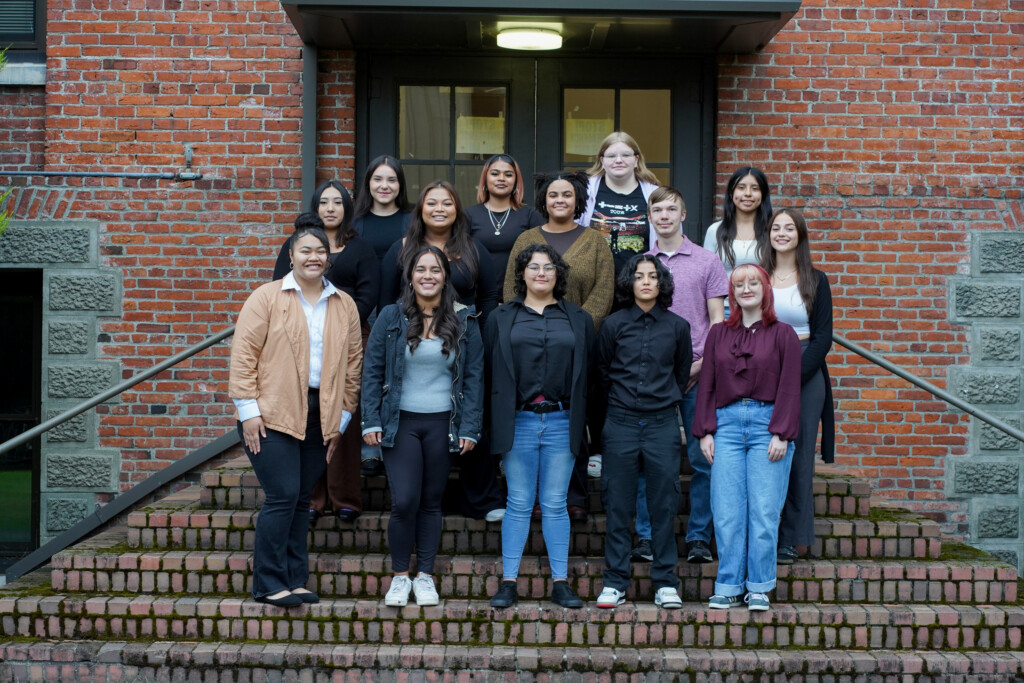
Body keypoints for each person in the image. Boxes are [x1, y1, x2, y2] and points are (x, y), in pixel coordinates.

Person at [229, 225, 363, 607]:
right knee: (283, 494)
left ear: (328, 257)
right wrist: (248, 411)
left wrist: (342, 419)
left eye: (320, 251)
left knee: (302, 496)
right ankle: (269, 583)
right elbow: (243, 356)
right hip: (270, 412)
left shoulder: (344, 304)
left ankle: (294, 579)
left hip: (322, 414)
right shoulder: (267, 298)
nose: (313, 257)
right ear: (291, 256)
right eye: (305, 250)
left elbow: (354, 365)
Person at [361, 247, 484, 608]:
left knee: (431, 502)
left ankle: (425, 576)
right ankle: (401, 577)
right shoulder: (390, 316)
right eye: (420, 269)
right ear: (410, 276)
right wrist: (370, 419)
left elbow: (474, 378)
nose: (428, 275)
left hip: (443, 422)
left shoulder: (465, 320)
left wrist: (470, 427)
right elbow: (373, 371)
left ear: (445, 276)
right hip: (400, 423)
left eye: (435, 269)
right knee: (405, 501)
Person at [486, 243, 594, 610]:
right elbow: (488, 373)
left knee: (555, 503)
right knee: (517, 502)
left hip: (562, 420)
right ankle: (509, 582)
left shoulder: (578, 318)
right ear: (522, 274)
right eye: (534, 267)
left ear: (558, 275)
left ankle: (561, 583)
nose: (542, 273)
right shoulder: (501, 317)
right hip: (518, 422)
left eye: (549, 267)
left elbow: (590, 377)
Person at [504, 170, 614, 522]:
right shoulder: (526, 240)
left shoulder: (596, 242)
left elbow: (603, 291)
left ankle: (574, 494)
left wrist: (575, 329)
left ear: (578, 200)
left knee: (572, 422)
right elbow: (511, 289)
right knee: (534, 425)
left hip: (578, 347)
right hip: (530, 350)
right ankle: (534, 496)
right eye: (553, 195)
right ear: (544, 201)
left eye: (567, 195)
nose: (560, 201)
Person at [693, 264, 801, 612]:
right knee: (726, 512)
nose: (747, 288)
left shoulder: (783, 334)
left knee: (765, 511)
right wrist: (705, 430)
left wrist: (782, 433)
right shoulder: (719, 335)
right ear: (733, 294)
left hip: (767, 424)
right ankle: (728, 585)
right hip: (725, 427)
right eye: (740, 284)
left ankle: (758, 586)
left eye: (754, 282)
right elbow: (706, 382)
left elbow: (790, 387)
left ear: (765, 289)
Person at [272, 182, 380, 524]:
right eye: (324, 202)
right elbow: (278, 290)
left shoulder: (360, 248)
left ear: (348, 208)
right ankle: (312, 499)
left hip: (349, 335)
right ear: (315, 207)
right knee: (308, 417)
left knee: (343, 418)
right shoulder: (294, 247)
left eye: (338, 202)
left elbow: (369, 293)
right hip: (301, 337)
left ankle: (345, 497)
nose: (331, 208)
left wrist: (343, 322)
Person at [634, 187, 729, 566]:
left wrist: (699, 365)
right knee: (649, 460)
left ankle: (699, 538)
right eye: (657, 210)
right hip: (653, 378)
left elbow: (719, 323)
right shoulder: (642, 262)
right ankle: (645, 536)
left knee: (703, 458)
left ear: (683, 214)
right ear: (650, 216)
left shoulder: (707, 262)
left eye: (671, 208)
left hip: (699, 374)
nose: (664, 215)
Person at [593, 254, 691, 610]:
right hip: (619, 422)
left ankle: (665, 582)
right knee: (617, 504)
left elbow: (680, 376)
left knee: (663, 504)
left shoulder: (678, 327)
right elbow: (602, 374)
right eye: (639, 276)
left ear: (662, 283)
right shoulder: (612, 325)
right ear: (629, 282)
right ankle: (615, 582)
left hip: (662, 423)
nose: (646, 281)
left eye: (653, 276)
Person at [762, 208, 835, 564]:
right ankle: (760, 532)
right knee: (763, 453)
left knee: (799, 456)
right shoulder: (760, 277)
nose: (781, 233)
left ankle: (791, 538)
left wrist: (791, 375)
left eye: (789, 228)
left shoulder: (816, 280)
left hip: (806, 371)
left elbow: (824, 338)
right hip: (763, 367)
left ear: (800, 235)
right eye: (776, 227)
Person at [379, 181, 499, 328]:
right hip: (409, 340)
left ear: (457, 210)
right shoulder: (400, 249)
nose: (440, 209)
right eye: (431, 203)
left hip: (463, 339)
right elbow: (386, 303)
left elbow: (488, 299)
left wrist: (485, 342)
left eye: (447, 204)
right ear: (420, 209)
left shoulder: (474, 249)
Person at [579, 131, 661, 276]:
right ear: (602, 161)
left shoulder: (654, 195)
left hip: (640, 285)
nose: (618, 160)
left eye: (625, 155)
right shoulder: (584, 192)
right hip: (594, 282)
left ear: (636, 159)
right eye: (611, 156)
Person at [465, 154, 544, 293]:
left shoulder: (530, 216)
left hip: (520, 298)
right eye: (495, 174)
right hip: (477, 299)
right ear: (485, 179)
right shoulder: (468, 215)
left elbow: (541, 260)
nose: (501, 178)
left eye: (508, 175)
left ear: (516, 181)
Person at [703, 166, 774, 283]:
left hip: (764, 300)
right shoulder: (715, 231)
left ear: (763, 195)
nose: (748, 193)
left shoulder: (773, 231)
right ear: (731, 193)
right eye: (741, 188)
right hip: (722, 301)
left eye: (755, 189)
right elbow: (706, 275)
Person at [353, 155, 413, 262]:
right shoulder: (353, 221)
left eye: (391, 180)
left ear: (400, 185)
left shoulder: (413, 221)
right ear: (368, 183)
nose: (384, 186)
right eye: (377, 179)